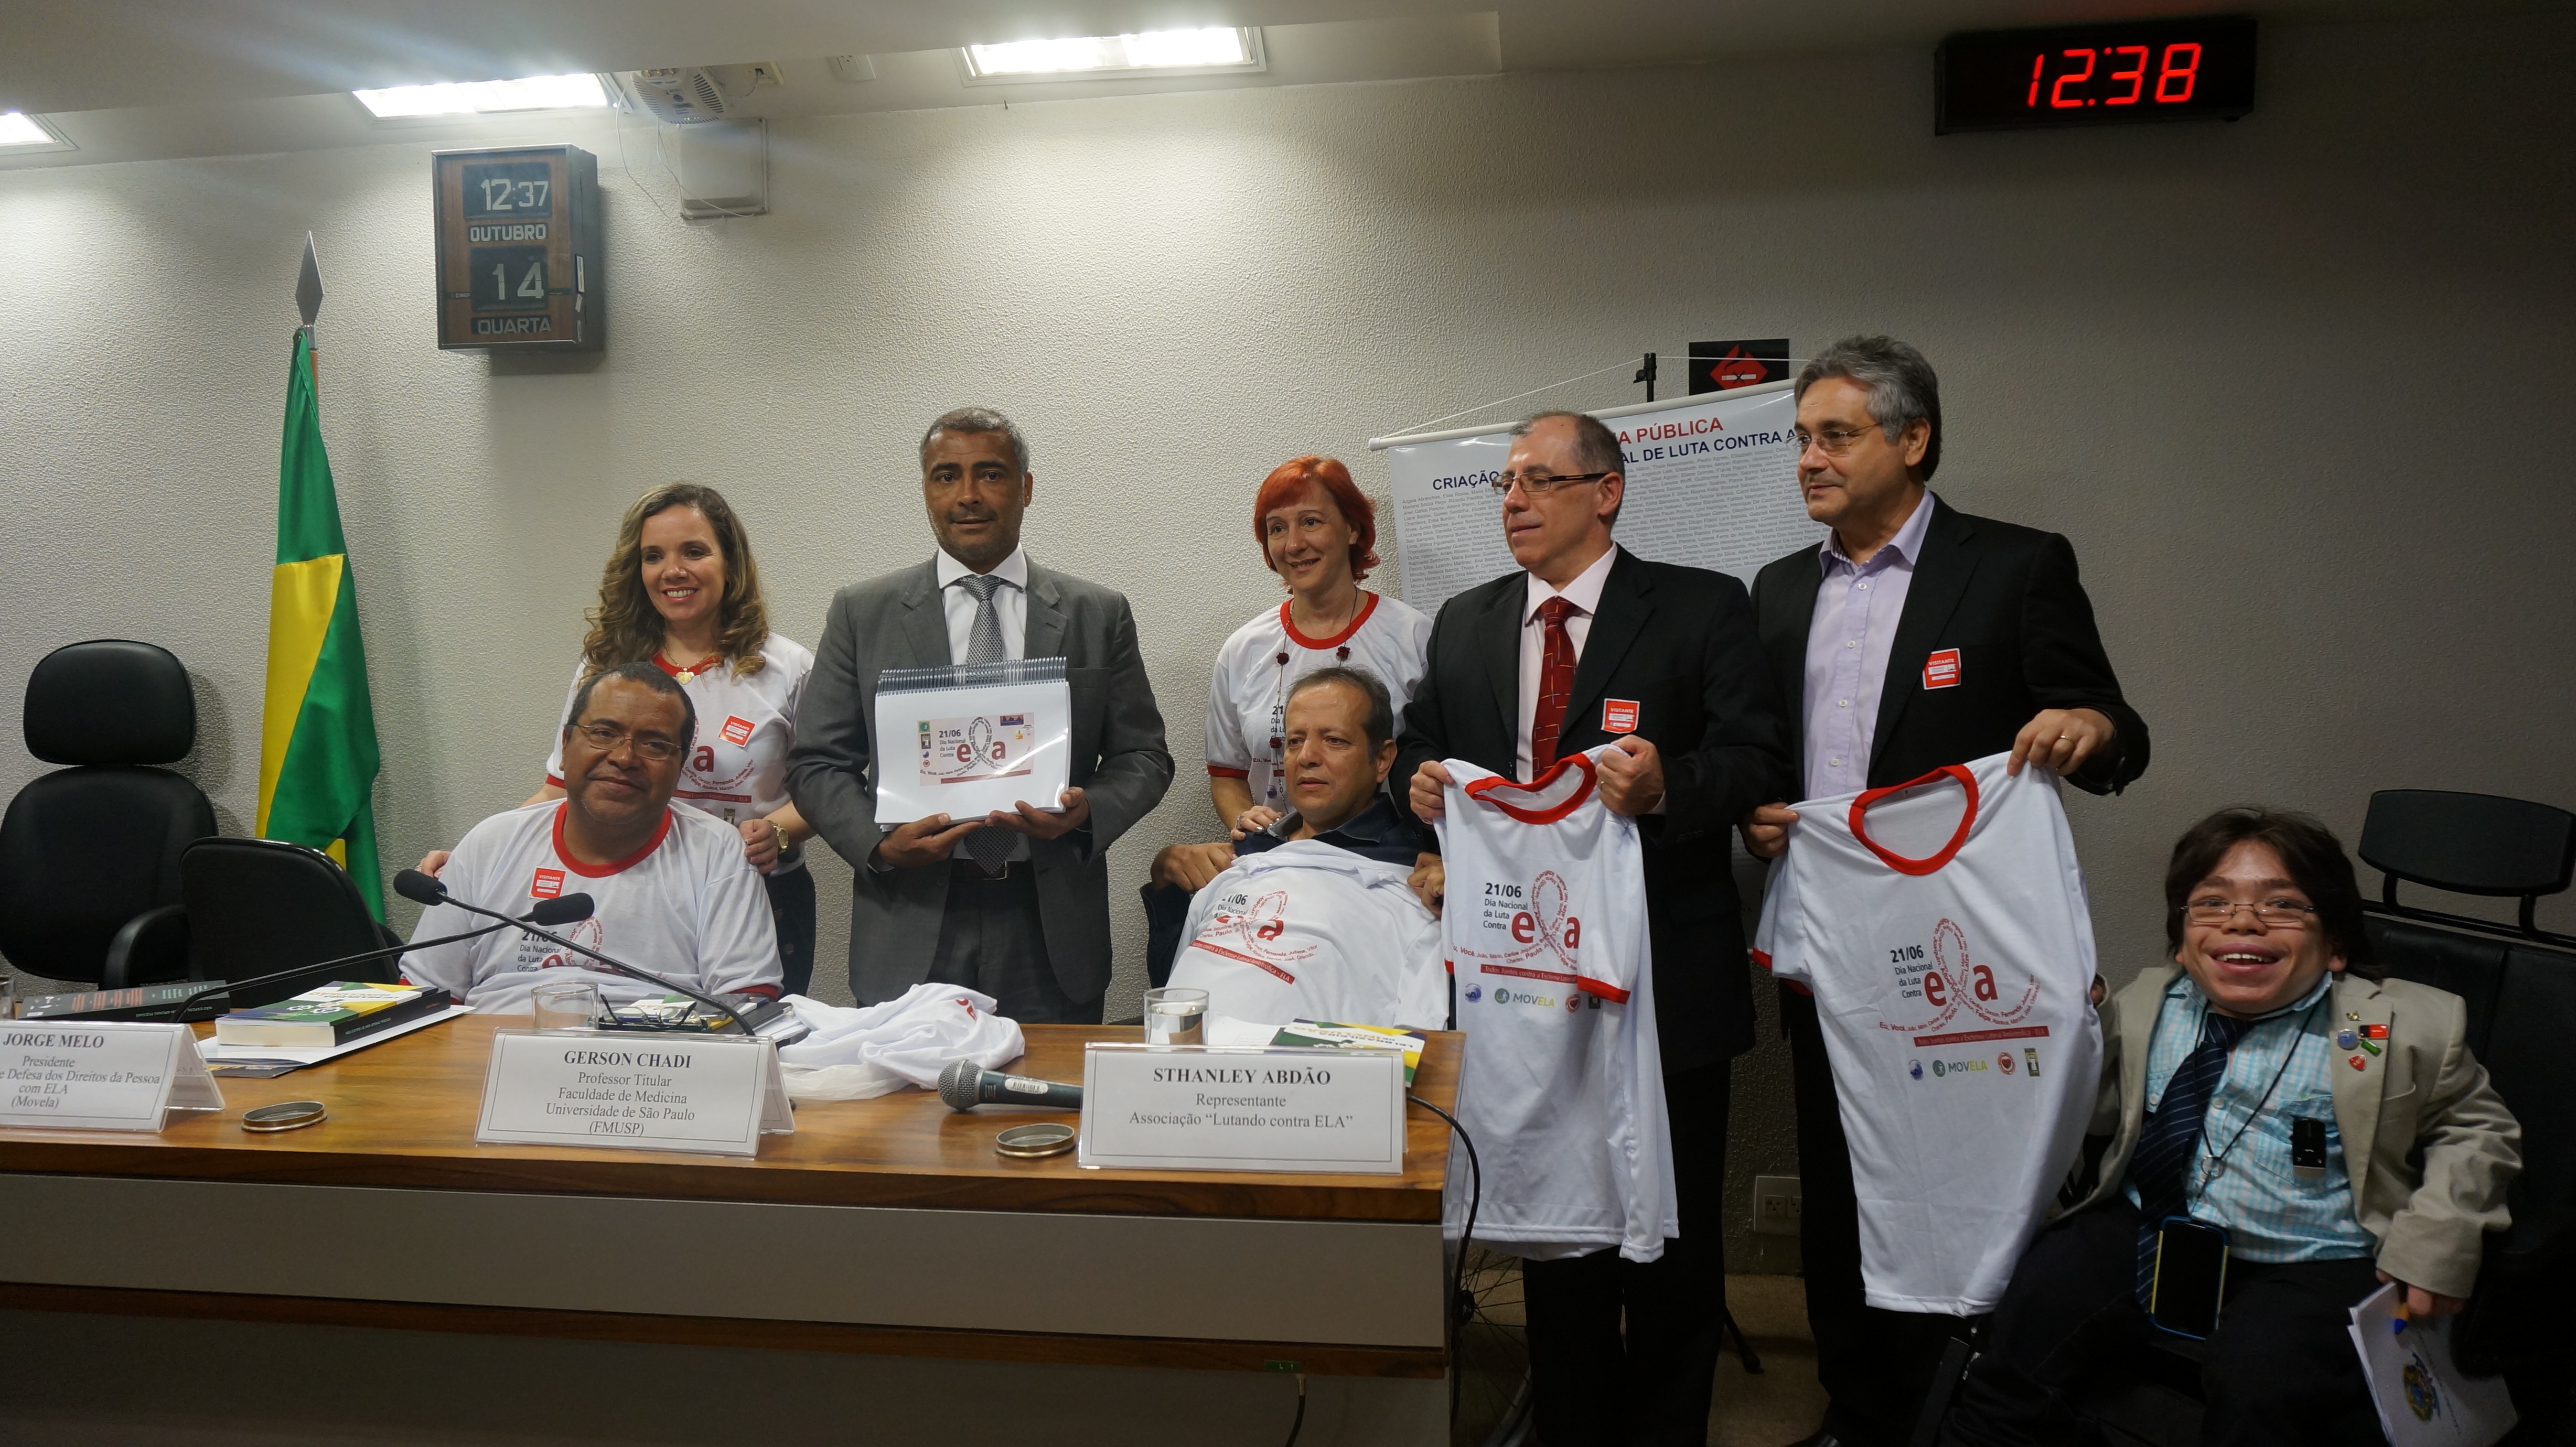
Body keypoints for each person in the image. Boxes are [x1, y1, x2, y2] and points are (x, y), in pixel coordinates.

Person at [1741, 336, 2151, 1447]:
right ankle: (1854, 1408)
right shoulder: (1778, 590)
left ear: (1911, 438)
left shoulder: (2013, 566)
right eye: (1801, 438)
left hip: (1961, 955)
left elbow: (2117, 729)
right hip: (1826, 938)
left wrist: (2087, 726)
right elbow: (1763, 756)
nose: (1809, 459)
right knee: (1839, 1179)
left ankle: (1956, 1411)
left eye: (1836, 435)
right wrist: (1756, 813)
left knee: (1963, 1180)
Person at [1396, 409, 1794, 1446]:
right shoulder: (1467, 622)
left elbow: (1757, 759)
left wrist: (1669, 787)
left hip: (1662, 971)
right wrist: (1420, 785)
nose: (1512, 500)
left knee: (1673, 1237)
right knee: (1555, 1234)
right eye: (1505, 483)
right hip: (1523, 988)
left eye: (1538, 479)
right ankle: (1569, 1426)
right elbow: (1416, 750)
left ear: (1605, 492)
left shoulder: (1700, 607)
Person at [1940, 808, 2521, 1446]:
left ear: (2335, 946)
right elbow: (2094, 1109)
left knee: (2264, 1377)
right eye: (2212, 903)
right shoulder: (2150, 1003)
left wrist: (2437, 1240)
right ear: (2183, 941)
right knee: (2035, 1298)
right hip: (2153, 1221)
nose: (2242, 921)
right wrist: (2073, 1023)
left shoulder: (2407, 1026)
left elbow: (2478, 1131)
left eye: (2283, 905)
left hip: (2312, 1253)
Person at [787, 406, 1172, 1024]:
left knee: (1046, 1087)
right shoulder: (863, 612)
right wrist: (880, 845)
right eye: (946, 476)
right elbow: (816, 764)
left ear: (1026, 487)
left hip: (1048, 926)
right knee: (908, 1091)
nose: (967, 495)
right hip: (911, 920)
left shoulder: (1097, 612)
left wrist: (1086, 814)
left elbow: (1143, 757)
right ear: (926, 490)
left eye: (990, 474)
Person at [418, 483, 821, 995]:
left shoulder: (787, 668)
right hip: (624, 890)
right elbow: (561, 788)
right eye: (654, 556)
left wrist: (778, 831)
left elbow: (828, 788)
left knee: (746, 1033)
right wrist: (471, 863)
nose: (672, 571)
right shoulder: (605, 663)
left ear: (730, 563)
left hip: (752, 890)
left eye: (694, 552)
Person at [401, 663, 783, 1012]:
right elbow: (426, 996)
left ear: (680, 766)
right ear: (566, 745)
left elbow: (746, 1005)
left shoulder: (719, 854)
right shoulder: (490, 844)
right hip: (492, 1048)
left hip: (659, 1054)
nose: (625, 758)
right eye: (604, 734)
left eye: (654, 744)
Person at [1143, 666, 1440, 1026]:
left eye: (1334, 740)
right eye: (1295, 741)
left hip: (1306, 1059)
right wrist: (1166, 881)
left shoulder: (1418, 875)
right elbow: (1171, 987)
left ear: (1382, 760)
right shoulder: (1250, 850)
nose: (1306, 757)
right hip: (1180, 1049)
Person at [1205, 456, 1432, 836]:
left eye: (1311, 522)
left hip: (1393, 859)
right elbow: (1227, 773)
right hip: (1283, 861)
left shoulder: (1414, 636)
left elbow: (1440, 763)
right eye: (1277, 528)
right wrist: (1248, 825)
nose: (1294, 544)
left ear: (1353, 529)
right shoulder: (1242, 649)